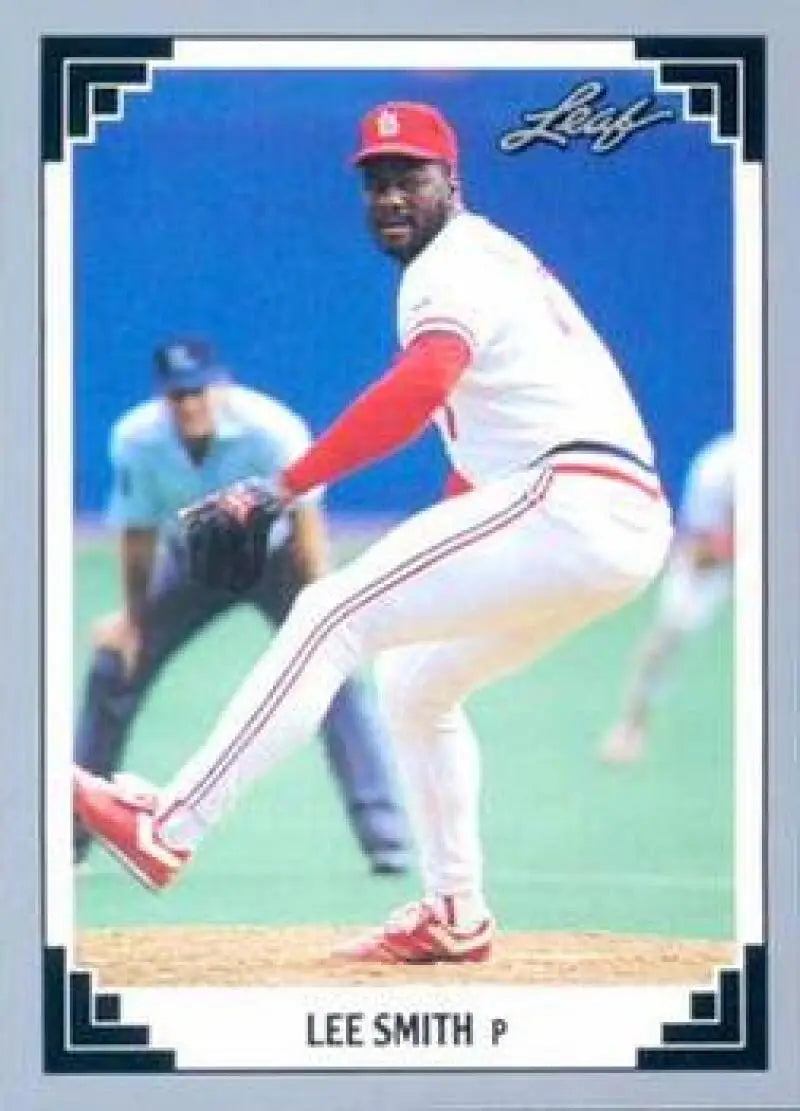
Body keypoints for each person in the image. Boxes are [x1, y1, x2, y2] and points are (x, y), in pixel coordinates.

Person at [74, 101, 673, 963]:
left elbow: (420, 386)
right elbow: (472, 471)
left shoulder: (449, 266)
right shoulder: (490, 260)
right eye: (375, 181)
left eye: (410, 177)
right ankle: (456, 912)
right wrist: (426, 550)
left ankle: (169, 824)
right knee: (415, 684)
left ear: (452, 181)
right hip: (606, 523)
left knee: (328, 611)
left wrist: (280, 487)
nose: (390, 195)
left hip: (573, 500)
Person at [73, 338, 411, 875]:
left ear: (221, 386)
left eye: (198, 391)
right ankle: (73, 836)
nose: (189, 405)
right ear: (164, 397)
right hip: (194, 563)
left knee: (333, 672)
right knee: (115, 666)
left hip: (275, 559)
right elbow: (138, 533)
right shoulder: (136, 439)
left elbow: (306, 527)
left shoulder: (272, 430)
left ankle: (386, 839)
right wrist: (134, 621)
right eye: (178, 395)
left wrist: (325, 610)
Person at [599, 431, 735, 763]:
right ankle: (631, 726)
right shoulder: (718, 468)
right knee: (667, 635)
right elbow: (700, 550)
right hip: (716, 564)